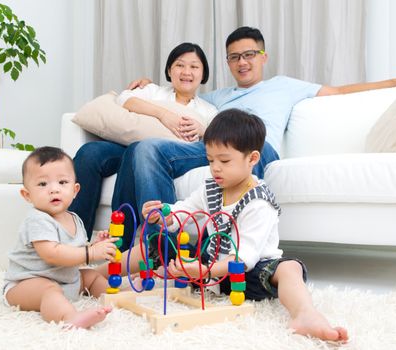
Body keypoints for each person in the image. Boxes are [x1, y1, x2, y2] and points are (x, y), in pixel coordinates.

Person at [108, 26, 396, 245]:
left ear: (263, 57)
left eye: (250, 54)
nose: (242, 62)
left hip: (258, 149)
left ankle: (220, 245)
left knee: (151, 149)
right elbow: (185, 94)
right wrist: (150, 84)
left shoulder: (284, 85)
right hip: (218, 150)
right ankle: (159, 244)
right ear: (227, 63)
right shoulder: (216, 97)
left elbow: (338, 91)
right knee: (145, 149)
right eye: (234, 57)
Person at [100, 109, 348, 341]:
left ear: (252, 159)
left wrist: (205, 272)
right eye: (210, 160)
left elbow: (246, 258)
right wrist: (161, 216)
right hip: (208, 265)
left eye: (225, 161)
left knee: (289, 268)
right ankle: (97, 273)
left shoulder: (260, 202)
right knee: (158, 242)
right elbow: (183, 211)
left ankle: (305, 313)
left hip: (247, 273)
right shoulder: (211, 188)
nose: (215, 168)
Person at [70, 42, 217, 239]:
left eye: (194, 66)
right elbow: (124, 100)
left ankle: (121, 242)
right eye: (180, 65)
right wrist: (163, 114)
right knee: (90, 152)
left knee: (137, 150)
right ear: (169, 70)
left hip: (157, 156)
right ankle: (74, 239)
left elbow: (216, 141)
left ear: (203, 73)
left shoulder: (208, 110)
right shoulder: (153, 91)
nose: (186, 72)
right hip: (123, 145)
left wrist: (203, 130)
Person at [4, 146, 116, 329]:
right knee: (49, 290)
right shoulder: (37, 219)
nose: (54, 190)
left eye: (62, 182)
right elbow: (52, 254)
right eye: (42, 184)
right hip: (27, 284)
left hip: (65, 280)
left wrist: (95, 245)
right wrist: (90, 253)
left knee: (91, 276)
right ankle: (69, 318)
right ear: (27, 195)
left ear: (75, 190)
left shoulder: (75, 219)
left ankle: (117, 297)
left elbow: (74, 251)